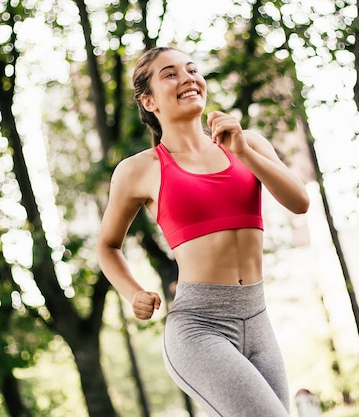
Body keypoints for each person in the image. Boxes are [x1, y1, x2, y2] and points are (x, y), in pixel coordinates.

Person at [96, 46, 310, 417]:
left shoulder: (248, 142)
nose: (187, 78)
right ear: (149, 101)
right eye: (170, 74)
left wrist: (243, 152)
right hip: (199, 327)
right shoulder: (140, 170)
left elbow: (299, 202)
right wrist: (132, 294)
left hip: (258, 319)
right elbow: (108, 245)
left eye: (192, 69)